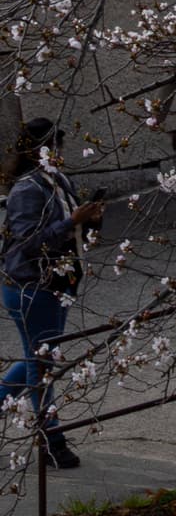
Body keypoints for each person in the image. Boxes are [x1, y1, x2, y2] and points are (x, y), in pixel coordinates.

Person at [0, 119, 101, 468]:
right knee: (42, 366)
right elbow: (30, 244)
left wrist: (89, 219)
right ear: (39, 150)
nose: (59, 154)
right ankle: (50, 441)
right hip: (31, 287)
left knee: (38, 356)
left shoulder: (57, 181)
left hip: (59, 284)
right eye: (54, 147)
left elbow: (68, 228)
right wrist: (72, 220)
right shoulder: (28, 188)